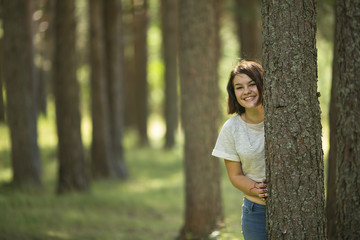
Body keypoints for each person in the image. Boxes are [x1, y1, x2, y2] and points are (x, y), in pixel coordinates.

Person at [212, 60, 267, 240]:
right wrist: (257, 189)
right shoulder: (231, 129)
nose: (247, 91)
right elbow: (235, 176)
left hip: (296, 208)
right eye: (239, 87)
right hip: (256, 211)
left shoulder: (284, 118)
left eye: (252, 84)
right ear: (234, 93)